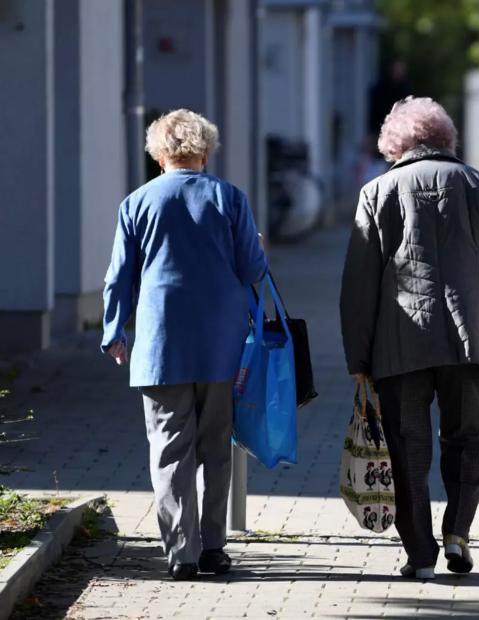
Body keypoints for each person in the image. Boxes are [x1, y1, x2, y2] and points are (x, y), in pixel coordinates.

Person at [341, 96, 479, 580]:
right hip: (472, 340)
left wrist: (358, 355)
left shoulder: (377, 191)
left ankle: (421, 553)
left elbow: (359, 282)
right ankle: (457, 532)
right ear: (446, 138)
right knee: (468, 437)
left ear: (394, 144)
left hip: (400, 344)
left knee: (407, 445)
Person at [101, 109, 267, 581]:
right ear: (205, 152)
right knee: (217, 446)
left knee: (169, 448)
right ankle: (214, 547)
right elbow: (252, 269)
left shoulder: (137, 203)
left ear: (158, 155)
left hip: (161, 345)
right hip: (222, 344)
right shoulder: (229, 198)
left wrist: (114, 331)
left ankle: (181, 553)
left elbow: (119, 277)